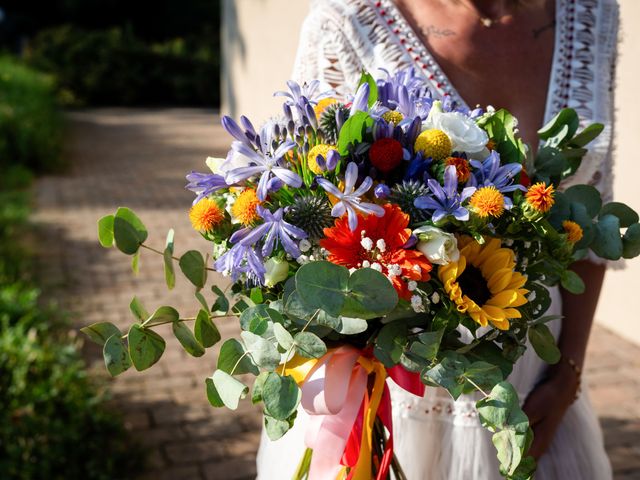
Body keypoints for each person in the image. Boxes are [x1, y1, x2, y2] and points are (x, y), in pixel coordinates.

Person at [256, 1, 618, 478]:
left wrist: (568, 372)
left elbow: (590, 225)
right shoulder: (346, 23)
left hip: (535, 378)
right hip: (399, 386)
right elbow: (314, 218)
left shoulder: (592, 17)